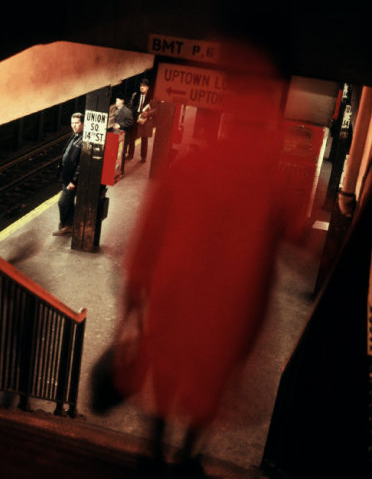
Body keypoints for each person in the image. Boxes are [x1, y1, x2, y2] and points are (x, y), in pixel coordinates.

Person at [111, 46, 316, 477]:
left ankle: (153, 453)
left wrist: (133, 298)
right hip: (231, 308)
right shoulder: (270, 179)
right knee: (210, 387)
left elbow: (148, 237)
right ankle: (185, 458)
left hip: (175, 296)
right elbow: (299, 235)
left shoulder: (189, 165)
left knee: (166, 378)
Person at [53, 112, 84, 236]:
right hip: (66, 176)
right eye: (72, 123)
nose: (74, 125)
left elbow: (81, 164)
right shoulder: (75, 135)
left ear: (83, 123)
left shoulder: (83, 140)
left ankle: (67, 225)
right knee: (69, 202)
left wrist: (73, 181)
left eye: (77, 123)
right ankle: (69, 224)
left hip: (71, 179)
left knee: (63, 202)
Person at [127, 78, 157, 163]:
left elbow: (155, 110)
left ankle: (143, 157)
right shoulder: (136, 96)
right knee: (132, 137)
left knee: (144, 139)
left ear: (148, 87)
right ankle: (130, 154)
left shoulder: (151, 98)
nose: (142, 87)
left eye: (144, 86)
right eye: (141, 85)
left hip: (144, 120)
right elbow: (132, 106)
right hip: (136, 119)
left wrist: (147, 114)